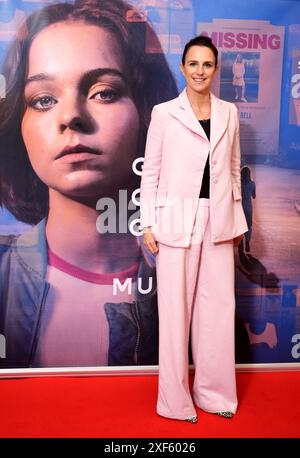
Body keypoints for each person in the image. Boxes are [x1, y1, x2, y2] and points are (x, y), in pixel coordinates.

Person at [0, 0, 178, 368]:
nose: (71, 117)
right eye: (43, 99)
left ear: (148, 112)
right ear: (19, 123)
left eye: (104, 92)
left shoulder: (192, 287)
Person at [140, 35, 248, 423]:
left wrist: (237, 218)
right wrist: (148, 222)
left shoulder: (229, 113)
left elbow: (233, 169)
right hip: (174, 221)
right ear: (183, 67)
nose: (200, 71)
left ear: (216, 69)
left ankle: (214, 394)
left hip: (219, 220)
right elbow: (150, 172)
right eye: (193, 64)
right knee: (174, 314)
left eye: (207, 64)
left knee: (217, 311)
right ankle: (174, 403)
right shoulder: (164, 113)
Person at [239, 166, 256, 254]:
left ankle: (240, 243)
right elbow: (254, 196)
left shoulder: (239, 183)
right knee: (248, 225)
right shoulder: (252, 183)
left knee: (240, 225)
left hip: (239, 206)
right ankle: (247, 242)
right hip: (248, 206)